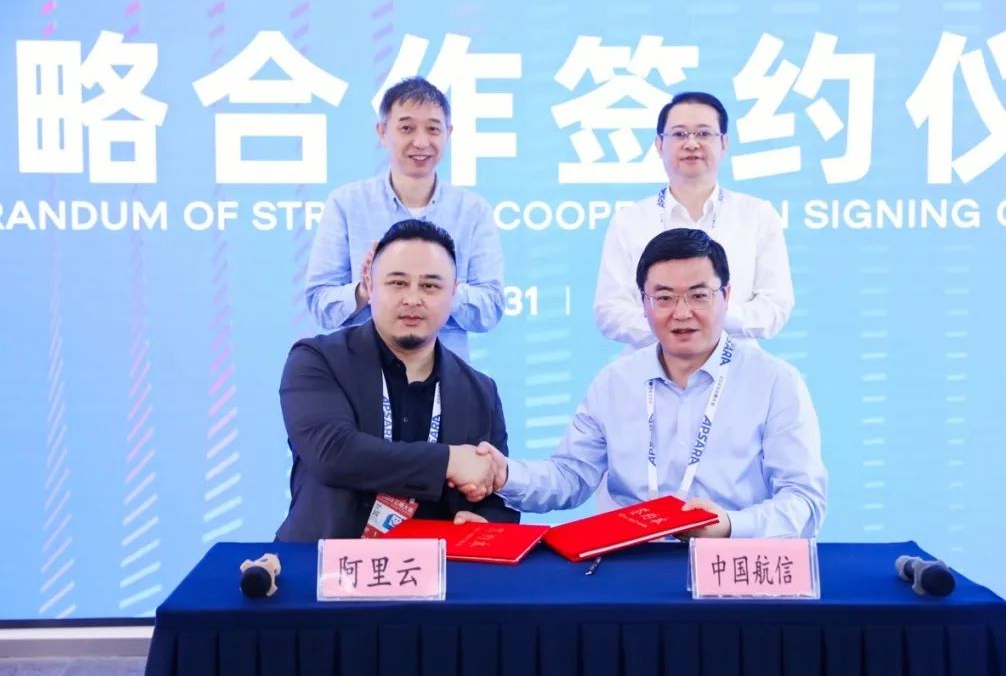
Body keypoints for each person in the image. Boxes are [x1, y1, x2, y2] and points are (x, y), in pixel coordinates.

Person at [469, 228, 825, 538]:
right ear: (643, 302)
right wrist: (505, 474)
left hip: (729, 563)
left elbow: (804, 502)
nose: (682, 313)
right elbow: (570, 476)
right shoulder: (615, 382)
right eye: (664, 298)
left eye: (699, 295)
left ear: (726, 296)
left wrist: (731, 525)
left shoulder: (774, 382)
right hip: (632, 563)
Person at [276, 219, 518, 541]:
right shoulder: (317, 360)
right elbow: (334, 454)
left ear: (453, 292)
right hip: (322, 563)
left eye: (430, 286)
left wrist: (486, 521)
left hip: (436, 567)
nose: (413, 299)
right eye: (398, 283)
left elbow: (496, 492)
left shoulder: (480, 390)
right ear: (369, 283)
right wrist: (448, 462)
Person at [305, 76, 504, 362]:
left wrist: (445, 289)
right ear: (382, 132)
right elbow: (319, 303)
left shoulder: (473, 211)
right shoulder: (346, 203)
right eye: (407, 128)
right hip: (362, 372)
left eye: (433, 129)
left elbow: (491, 309)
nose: (421, 142)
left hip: (447, 375)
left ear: (448, 133)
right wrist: (365, 290)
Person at [593, 91, 794, 349]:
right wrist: (673, 328)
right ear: (659, 144)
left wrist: (708, 319)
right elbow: (610, 311)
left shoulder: (757, 215)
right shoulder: (630, 221)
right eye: (679, 134)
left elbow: (775, 307)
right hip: (650, 367)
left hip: (737, 365)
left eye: (703, 133)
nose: (691, 143)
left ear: (724, 143)